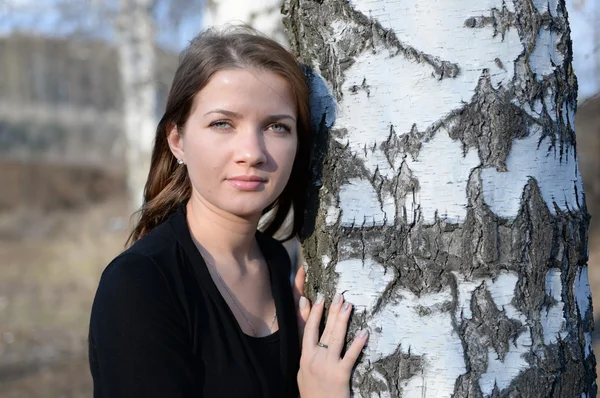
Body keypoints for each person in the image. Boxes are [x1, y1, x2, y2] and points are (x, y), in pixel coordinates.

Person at [88, 27, 368, 398]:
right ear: (177, 140)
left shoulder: (281, 266)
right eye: (223, 123)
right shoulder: (140, 286)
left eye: (276, 127)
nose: (251, 152)